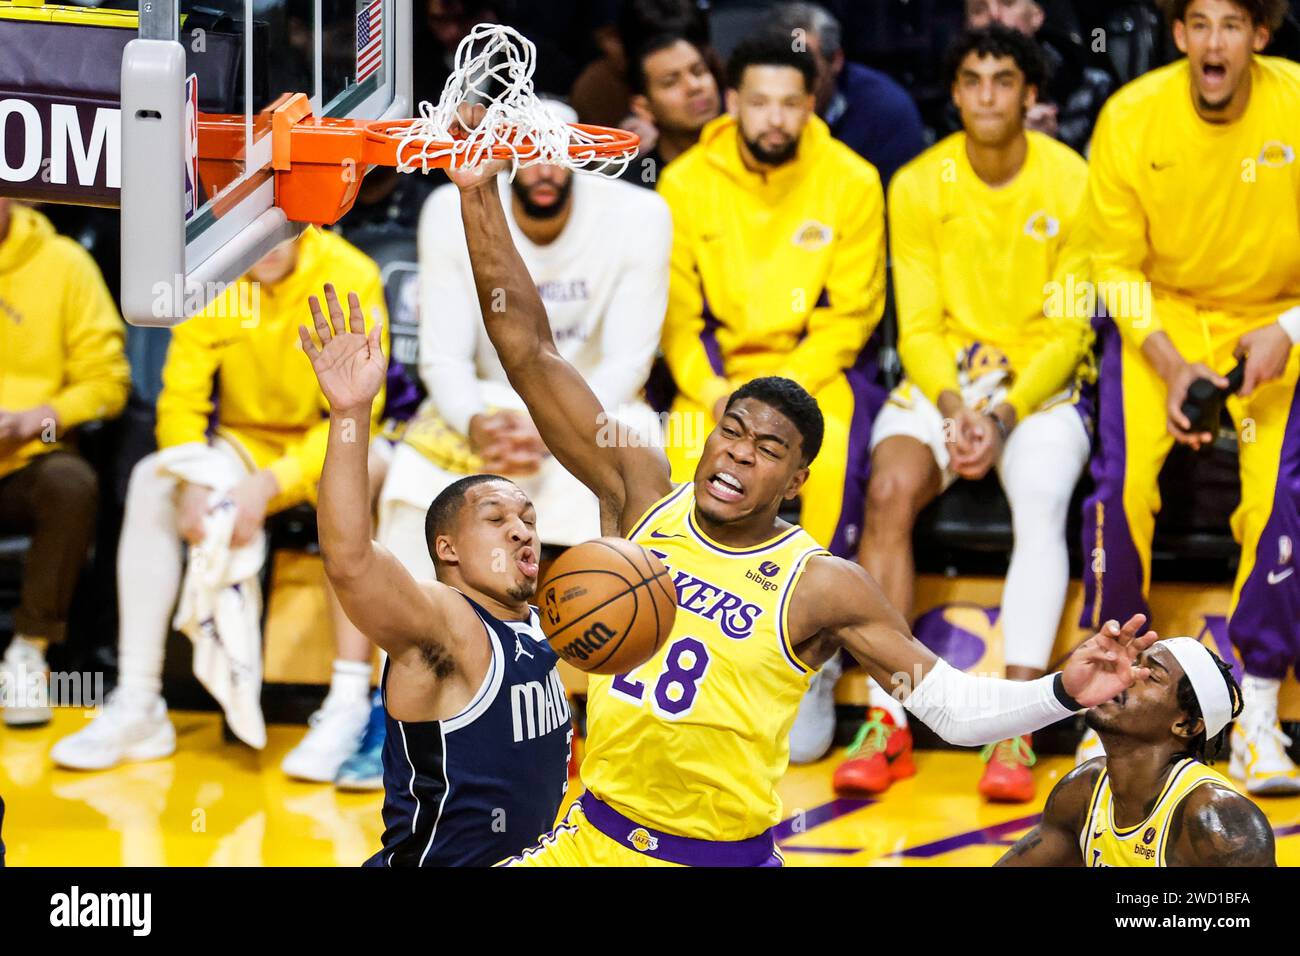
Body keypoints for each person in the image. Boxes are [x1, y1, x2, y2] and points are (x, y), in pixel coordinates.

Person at [415, 103, 1158, 868]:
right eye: (730, 432)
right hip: (591, 841)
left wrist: (1062, 692)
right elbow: (531, 353)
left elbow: (954, 708)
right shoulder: (638, 493)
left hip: (718, 857)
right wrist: (477, 193)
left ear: (798, 478)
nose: (736, 456)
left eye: (766, 449)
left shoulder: (822, 587)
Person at [834, 26, 1093, 802]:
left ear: (1030, 93)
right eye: (972, 79)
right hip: (943, 385)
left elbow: (1072, 323)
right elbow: (916, 326)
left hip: (1040, 390)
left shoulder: (1073, 180)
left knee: (1041, 499)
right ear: (953, 93)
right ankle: (889, 720)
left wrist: (1003, 414)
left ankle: (1013, 727)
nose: (986, 94)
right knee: (886, 492)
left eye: (1003, 79)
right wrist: (954, 409)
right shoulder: (916, 183)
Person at [50, 230, 387, 772]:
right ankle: (139, 697)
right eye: (256, 227)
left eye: (285, 226)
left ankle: (347, 702)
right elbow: (180, 398)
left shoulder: (352, 271)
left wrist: (269, 484)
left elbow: (361, 405)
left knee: (351, 482)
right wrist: (196, 474)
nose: (269, 242)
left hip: (337, 435)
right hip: (242, 439)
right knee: (151, 480)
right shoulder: (212, 270)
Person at [1078, 0, 1300, 796]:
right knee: (1119, 489)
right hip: (1161, 322)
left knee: (1278, 493)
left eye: (1232, 25)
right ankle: (1111, 701)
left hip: (1272, 324)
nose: (1214, 42)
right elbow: (1111, 267)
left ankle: (1259, 713)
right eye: (1198, 23)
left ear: (1261, 36)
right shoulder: (1130, 115)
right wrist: (1170, 365)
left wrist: (1290, 327)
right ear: (1177, 35)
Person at [657, 34, 887, 765]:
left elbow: (852, 314)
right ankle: (687, 660)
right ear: (733, 103)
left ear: (812, 103)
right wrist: (721, 391)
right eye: (759, 102)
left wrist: (782, 396)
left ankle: (810, 663)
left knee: (831, 469)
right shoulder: (687, 181)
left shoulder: (851, 178)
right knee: (679, 469)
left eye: (791, 102)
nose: (775, 119)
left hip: (815, 372)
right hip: (720, 373)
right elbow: (676, 320)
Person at [297, 285, 571, 866]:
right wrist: (350, 414)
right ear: (446, 549)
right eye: (495, 519)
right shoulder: (447, 623)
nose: (522, 530)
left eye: (528, 518)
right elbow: (349, 558)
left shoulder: (542, 626)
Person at [379, 99, 670, 569]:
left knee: (638, 466)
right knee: (411, 479)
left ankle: (619, 622)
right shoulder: (449, 206)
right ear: (504, 156)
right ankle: (413, 633)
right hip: (487, 405)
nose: (542, 170)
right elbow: (444, 358)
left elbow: (628, 363)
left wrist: (552, 425)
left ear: (575, 154)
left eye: (553, 153)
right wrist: (476, 423)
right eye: (526, 153)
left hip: (594, 404)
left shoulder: (640, 213)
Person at [0, 198, 130, 728]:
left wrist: (37, 419)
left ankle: (28, 652)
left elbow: (109, 382)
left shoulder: (64, 263)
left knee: (71, 483)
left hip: (27, 460)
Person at [999, 639, 1276, 866]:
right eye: (1134, 665)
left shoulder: (1220, 822)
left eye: (1150, 676)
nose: (1126, 676)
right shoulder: (1082, 791)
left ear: (1186, 724)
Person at [768, 2, 925, 186]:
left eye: (805, 69)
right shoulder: (754, 110)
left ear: (835, 60)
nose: (792, 85)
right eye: (781, 67)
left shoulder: (886, 112)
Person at [963, 0, 1113, 153]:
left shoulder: (1088, 85)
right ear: (968, 24)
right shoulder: (950, 96)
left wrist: (1052, 141)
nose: (994, 16)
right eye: (979, 9)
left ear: (1036, 16)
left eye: (1007, 4)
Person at [620, 30, 722, 188]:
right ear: (644, 108)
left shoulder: (756, 158)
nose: (694, 87)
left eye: (698, 71)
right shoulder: (635, 188)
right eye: (671, 82)